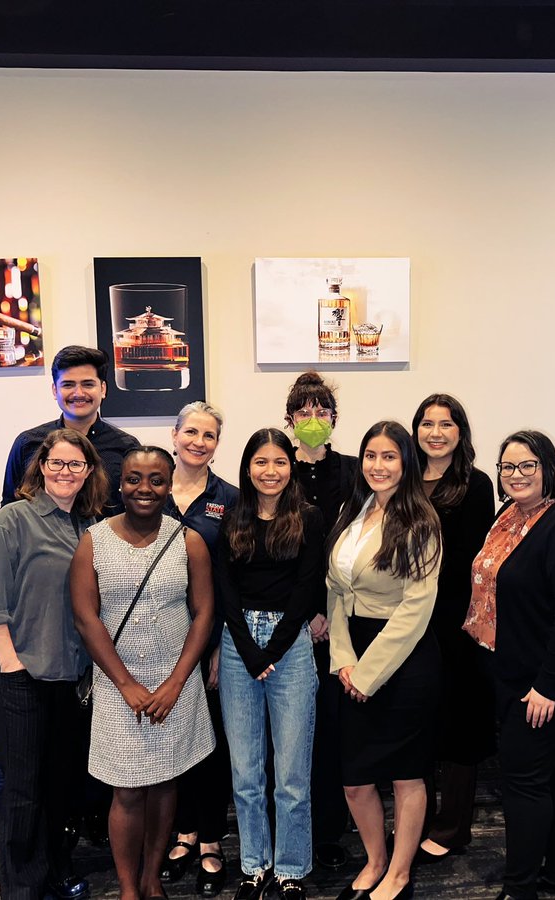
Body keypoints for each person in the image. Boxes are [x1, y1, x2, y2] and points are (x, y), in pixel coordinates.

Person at [463, 430, 555, 900]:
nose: (516, 475)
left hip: (548, 682)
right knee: (548, 775)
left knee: (522, 784)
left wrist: (549, 686)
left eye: (528, 465)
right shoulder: (508, 517)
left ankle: (519, 887)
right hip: (510, 673)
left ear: (549, 467)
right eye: (508, 467)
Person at [70, 446, 216, 900]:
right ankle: (128, 887)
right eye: (135, 479)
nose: (145, 489)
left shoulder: (188, 540)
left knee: (166, 782)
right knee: (129, 790)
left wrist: (174, 684)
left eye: (156, 480)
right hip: (118, 686)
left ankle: (152, 877)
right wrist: (128, 685)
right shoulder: (94, 540)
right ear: (120, 483)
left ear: (170, 485)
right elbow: (85, 618)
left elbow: (204, 612)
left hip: (176, 683)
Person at [0, 429, 109, 900]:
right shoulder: (11, 521)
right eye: (57, 463)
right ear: (40, 466)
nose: (65, 472)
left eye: (76, 465)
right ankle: (21, 886)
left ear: (88, 471)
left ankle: (53, 868)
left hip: (68, 676)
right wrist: (10, 662)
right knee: (24, 788)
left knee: (60, 785)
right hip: (19, 675)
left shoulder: (87, 527)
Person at [327, 420, 442, 900]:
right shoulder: (352, 511)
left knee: (405, 773)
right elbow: (335, 591)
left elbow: (417, 607)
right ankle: (375, 860)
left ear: (406, 463)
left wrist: (369, 672)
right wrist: (343, 659)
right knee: (354, 778)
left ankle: (399, 871)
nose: (378, 465)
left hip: (403, 657)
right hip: (351, 650)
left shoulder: (421, 521)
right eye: (371, 455)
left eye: (389, 456)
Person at [217, 428, 325, 900]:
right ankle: (254, 866)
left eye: (280, 462)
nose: (271, 471)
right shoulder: (231, 517)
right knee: (245, 771)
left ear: (291, 467)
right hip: (239, 641)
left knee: (292, 773)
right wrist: (248, 649)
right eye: (261, 462)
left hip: (292, 643)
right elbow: (224, 588)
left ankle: (291, 869)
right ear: (248, 467)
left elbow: (307, 585)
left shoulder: (308, 517)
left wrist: (275, 648)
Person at [408, 394, 496, 864]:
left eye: (446, 424)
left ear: (460, 432)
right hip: (404, 619)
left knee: (459, 724)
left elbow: (471, 560)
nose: (435, 432)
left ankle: (453, 825)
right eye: (426, 423)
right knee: (418, 722)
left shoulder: (476, 485)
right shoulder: (401, 479)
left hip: (454, 619)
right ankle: (416, 817)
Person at [160, 402, 239, 897]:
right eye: (190, 431)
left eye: (208, 435)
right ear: (174, 434)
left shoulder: (229, 499)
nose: (198, 441)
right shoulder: (147, 486)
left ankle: (211, 838)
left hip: (210, 640)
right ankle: (182, 832)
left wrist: (220, 648)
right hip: (156, 641)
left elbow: (234, 578)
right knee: (172, 741)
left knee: (211, 743)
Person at [284, 369, 357, 871]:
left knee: (333, 729)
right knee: (291, 733)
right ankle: (291, 828)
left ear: (334, 418)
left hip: (345, 619)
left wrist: (331, 611)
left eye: (321, 411)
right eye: (303, 412)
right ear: (289, 420)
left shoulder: (355, 471)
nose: (313, 420)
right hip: (290, 619)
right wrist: (307, 610)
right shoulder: (274, 468)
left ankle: (330, 829)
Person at [1, 345, 139, 512]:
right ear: (55, 390)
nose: (78, 393)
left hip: (105, 537)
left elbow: (134, 509)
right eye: (68, 385)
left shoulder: (126, 446)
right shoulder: (28, 443)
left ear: (103, 389)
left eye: (88, 384)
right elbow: (9, 506)